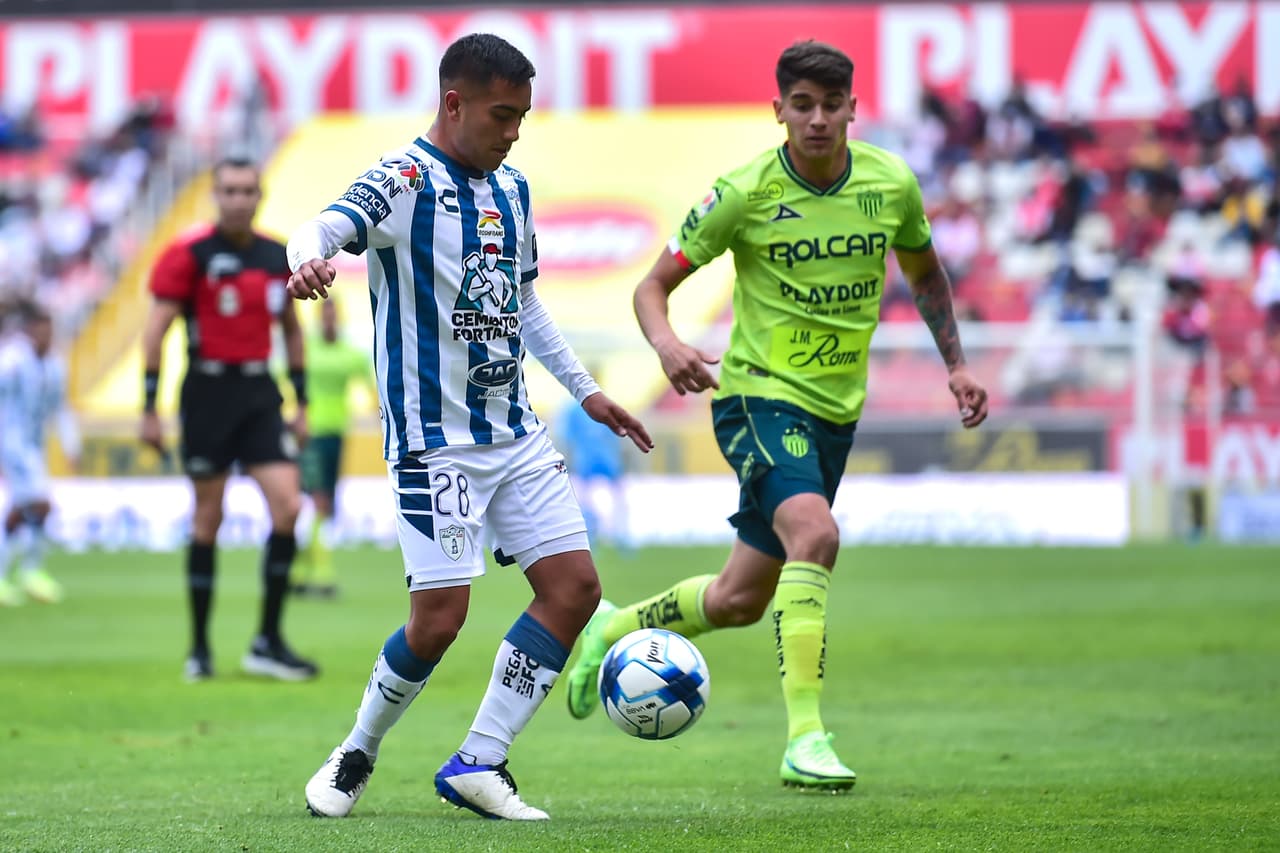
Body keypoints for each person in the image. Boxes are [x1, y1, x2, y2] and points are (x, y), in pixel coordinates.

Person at [564, 40, 990, 791]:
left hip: (835, 414)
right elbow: (650, 287)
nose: (818, 120)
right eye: (803, 105)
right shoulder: (743, 192)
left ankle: (618, 624)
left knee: (738, 599)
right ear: (779, 111)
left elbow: (926, 272)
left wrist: (954, 363)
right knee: (816, 534)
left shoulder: (891, 184)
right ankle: (806, 736)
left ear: (853, 109)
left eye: (832, 106)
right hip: (759, 396)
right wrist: (666, 345)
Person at [286, 33, 652, 821]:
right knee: (439, 620)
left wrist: (585, 391)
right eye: (502, 114)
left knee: (575, 588)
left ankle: (481, 759)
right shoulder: (403, 178)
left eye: (521, 115)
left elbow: (523, 303)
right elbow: (320, 226)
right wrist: (308, 260)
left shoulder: (513, 189)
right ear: (453, 103)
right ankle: (357, 750)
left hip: (514, 433)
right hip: (433, 442)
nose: (513, 130)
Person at [139, 156, 317, 683]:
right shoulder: (187, 256)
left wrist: (302, 401)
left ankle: (267, 640)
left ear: (259, 196)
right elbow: (155, 333)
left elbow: (292, 328)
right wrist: (149, 408)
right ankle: (199, 647)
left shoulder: (275, 255)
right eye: (229, 191)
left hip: (260, 392)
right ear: (215, 196)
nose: (238, 199)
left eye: (247, 191)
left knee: (288, 507)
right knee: (208, 518)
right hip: (207, 393)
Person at [293, 297, 373, 597]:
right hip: (309, 434)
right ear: (318, 316)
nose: (329, 319)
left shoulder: (350, 353)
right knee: (319, 499)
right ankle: (322, 574)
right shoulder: (306, 348)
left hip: (336, 434)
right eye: (325, 314)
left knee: (324, 502)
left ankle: (299, 571)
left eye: (333, 314)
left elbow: (371, 385)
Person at [0, 302, 79, 606]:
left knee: (24, 508)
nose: (46, 336)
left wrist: (71, 445)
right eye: (41, 329)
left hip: (34, 444)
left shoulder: (55, 366)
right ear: (29, 331)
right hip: (12, 442)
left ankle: (18, 573)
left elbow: (60, 409)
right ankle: (31, 571)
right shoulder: (12, 362)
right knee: (40, 502)